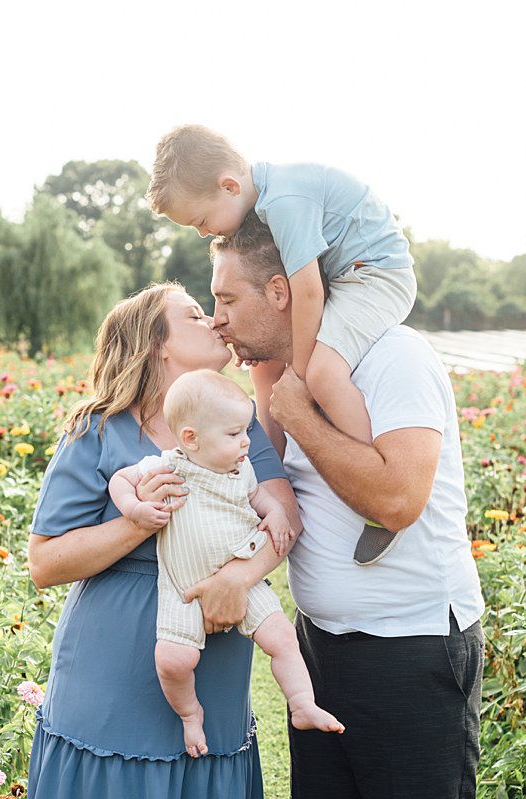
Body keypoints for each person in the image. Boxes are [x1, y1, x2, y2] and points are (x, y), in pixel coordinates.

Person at [209, 214, 487, 799]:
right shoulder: (277, 370)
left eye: (227, 298)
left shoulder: (393, 357)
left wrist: (292, 411)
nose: (216, 316)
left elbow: (399, 497)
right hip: (325, 645)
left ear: (281, 292)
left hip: (414, 644)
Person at [5, 284, 293, 799]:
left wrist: (243, 574)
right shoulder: (98, 434)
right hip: (113, 681)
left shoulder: (234, 425)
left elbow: (281, 522)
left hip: (214, 676)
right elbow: (47, 561)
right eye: (196, 316)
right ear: (160, 347)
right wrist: (140, 523)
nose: (216, 321)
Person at [148, 124, 416, 566]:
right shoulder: (269, 201)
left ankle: (377, 489)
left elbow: (306, 290)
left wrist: (303, 372)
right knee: (286, 369)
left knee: (325, 371)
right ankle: (266, 480)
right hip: (351, 274)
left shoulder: (284, 201)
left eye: (200, 221)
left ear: (229, 186)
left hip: (375, 274)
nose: (201, 233)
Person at [107, 369, 344, 757]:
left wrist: (276, 514)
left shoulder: (242, 471)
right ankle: (189, 714)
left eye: (245, 431)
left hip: (244, 576)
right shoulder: (167, 466)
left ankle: (302, 703)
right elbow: (120, 479)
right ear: (191, 439)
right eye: (234, 434)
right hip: (182, 590)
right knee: (172, 661)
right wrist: (136, 509)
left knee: (284, 639)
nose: (246, 441)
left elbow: (261, 499)